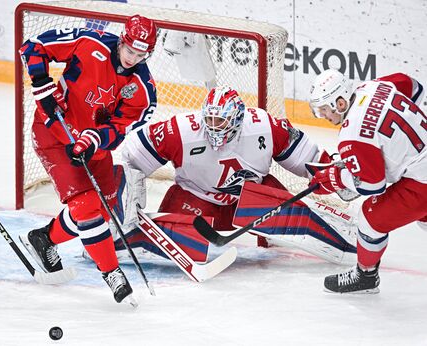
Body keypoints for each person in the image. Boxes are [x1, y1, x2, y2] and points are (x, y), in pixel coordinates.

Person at [116, 86, 356, 266]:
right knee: (181, 247)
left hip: (252, 200)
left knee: (293, 222)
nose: (212, 127)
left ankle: (343, 240)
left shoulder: (265, 126)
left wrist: (338, 176)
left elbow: (308, 156)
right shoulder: (181, 131)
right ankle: (123, 239)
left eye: (219, 121)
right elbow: (132, 159)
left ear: (237, 119)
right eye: (208, 119)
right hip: (197, 199)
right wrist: (127, 211)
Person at [18, 15, 158, 304]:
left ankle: (44, 239)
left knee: (103, 210)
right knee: (87, 208)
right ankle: (112, 273)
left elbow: (121, 128)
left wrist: (94, 140)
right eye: (130, 50)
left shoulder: (144, 89)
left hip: (94, 149)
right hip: (54, 135)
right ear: (122, 40)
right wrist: (44, 87)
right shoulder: (87, 41)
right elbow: (32, 47)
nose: (133, 59)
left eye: (141, 54)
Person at [308, 69, 426, 293]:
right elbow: (414, 87)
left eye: (324, 109)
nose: (322, 115)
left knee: (371, 219)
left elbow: (372, 185)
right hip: (421, 166)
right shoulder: (374, 87)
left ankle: (366, 277)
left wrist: (335, 177)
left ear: (340, 103)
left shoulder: (351, 135)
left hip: (422, 183)